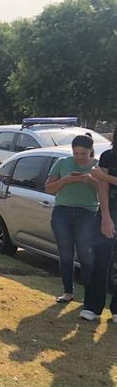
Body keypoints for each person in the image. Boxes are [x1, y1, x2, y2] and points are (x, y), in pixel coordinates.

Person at [45, 134, 99, 309]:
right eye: (76, 153)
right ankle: (68, 291)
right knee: (66, 253)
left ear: (90, 151)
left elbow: (104, 192)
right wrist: (65, 180)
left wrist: (91, 180)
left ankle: (90, 295)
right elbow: (49, 188)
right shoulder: (62, 163)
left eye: (83, 153)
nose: (79, 157)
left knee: (85, 254)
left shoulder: (98, 165)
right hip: (63, 211)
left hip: (87, 212)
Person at [87, 127, 117, 322]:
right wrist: (106, 217)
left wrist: (102, 175)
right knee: (101, 261)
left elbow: (101, 178)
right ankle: (93, 307)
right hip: (110, 211)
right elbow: (103, 190)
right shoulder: (108, 156)